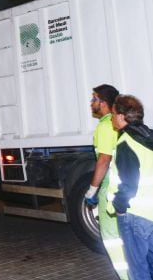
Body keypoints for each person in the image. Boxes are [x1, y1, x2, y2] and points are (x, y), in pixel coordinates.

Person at [83, 84, 128, 279]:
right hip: (123, 186)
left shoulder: (105, 126)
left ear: (104, 103)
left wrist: (92, 191)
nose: (92, 102)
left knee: (111, 238)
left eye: (94, 98)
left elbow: (104, 159)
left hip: (110, 189)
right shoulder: (120, 123)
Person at [106, 94, 153, 279]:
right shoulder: (149, 137)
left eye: (113, 114)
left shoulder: (126, 143)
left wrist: (118, 207)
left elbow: (128, 184)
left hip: (135, 215)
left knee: (138, 269)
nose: (111, 118)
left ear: (121, 116)